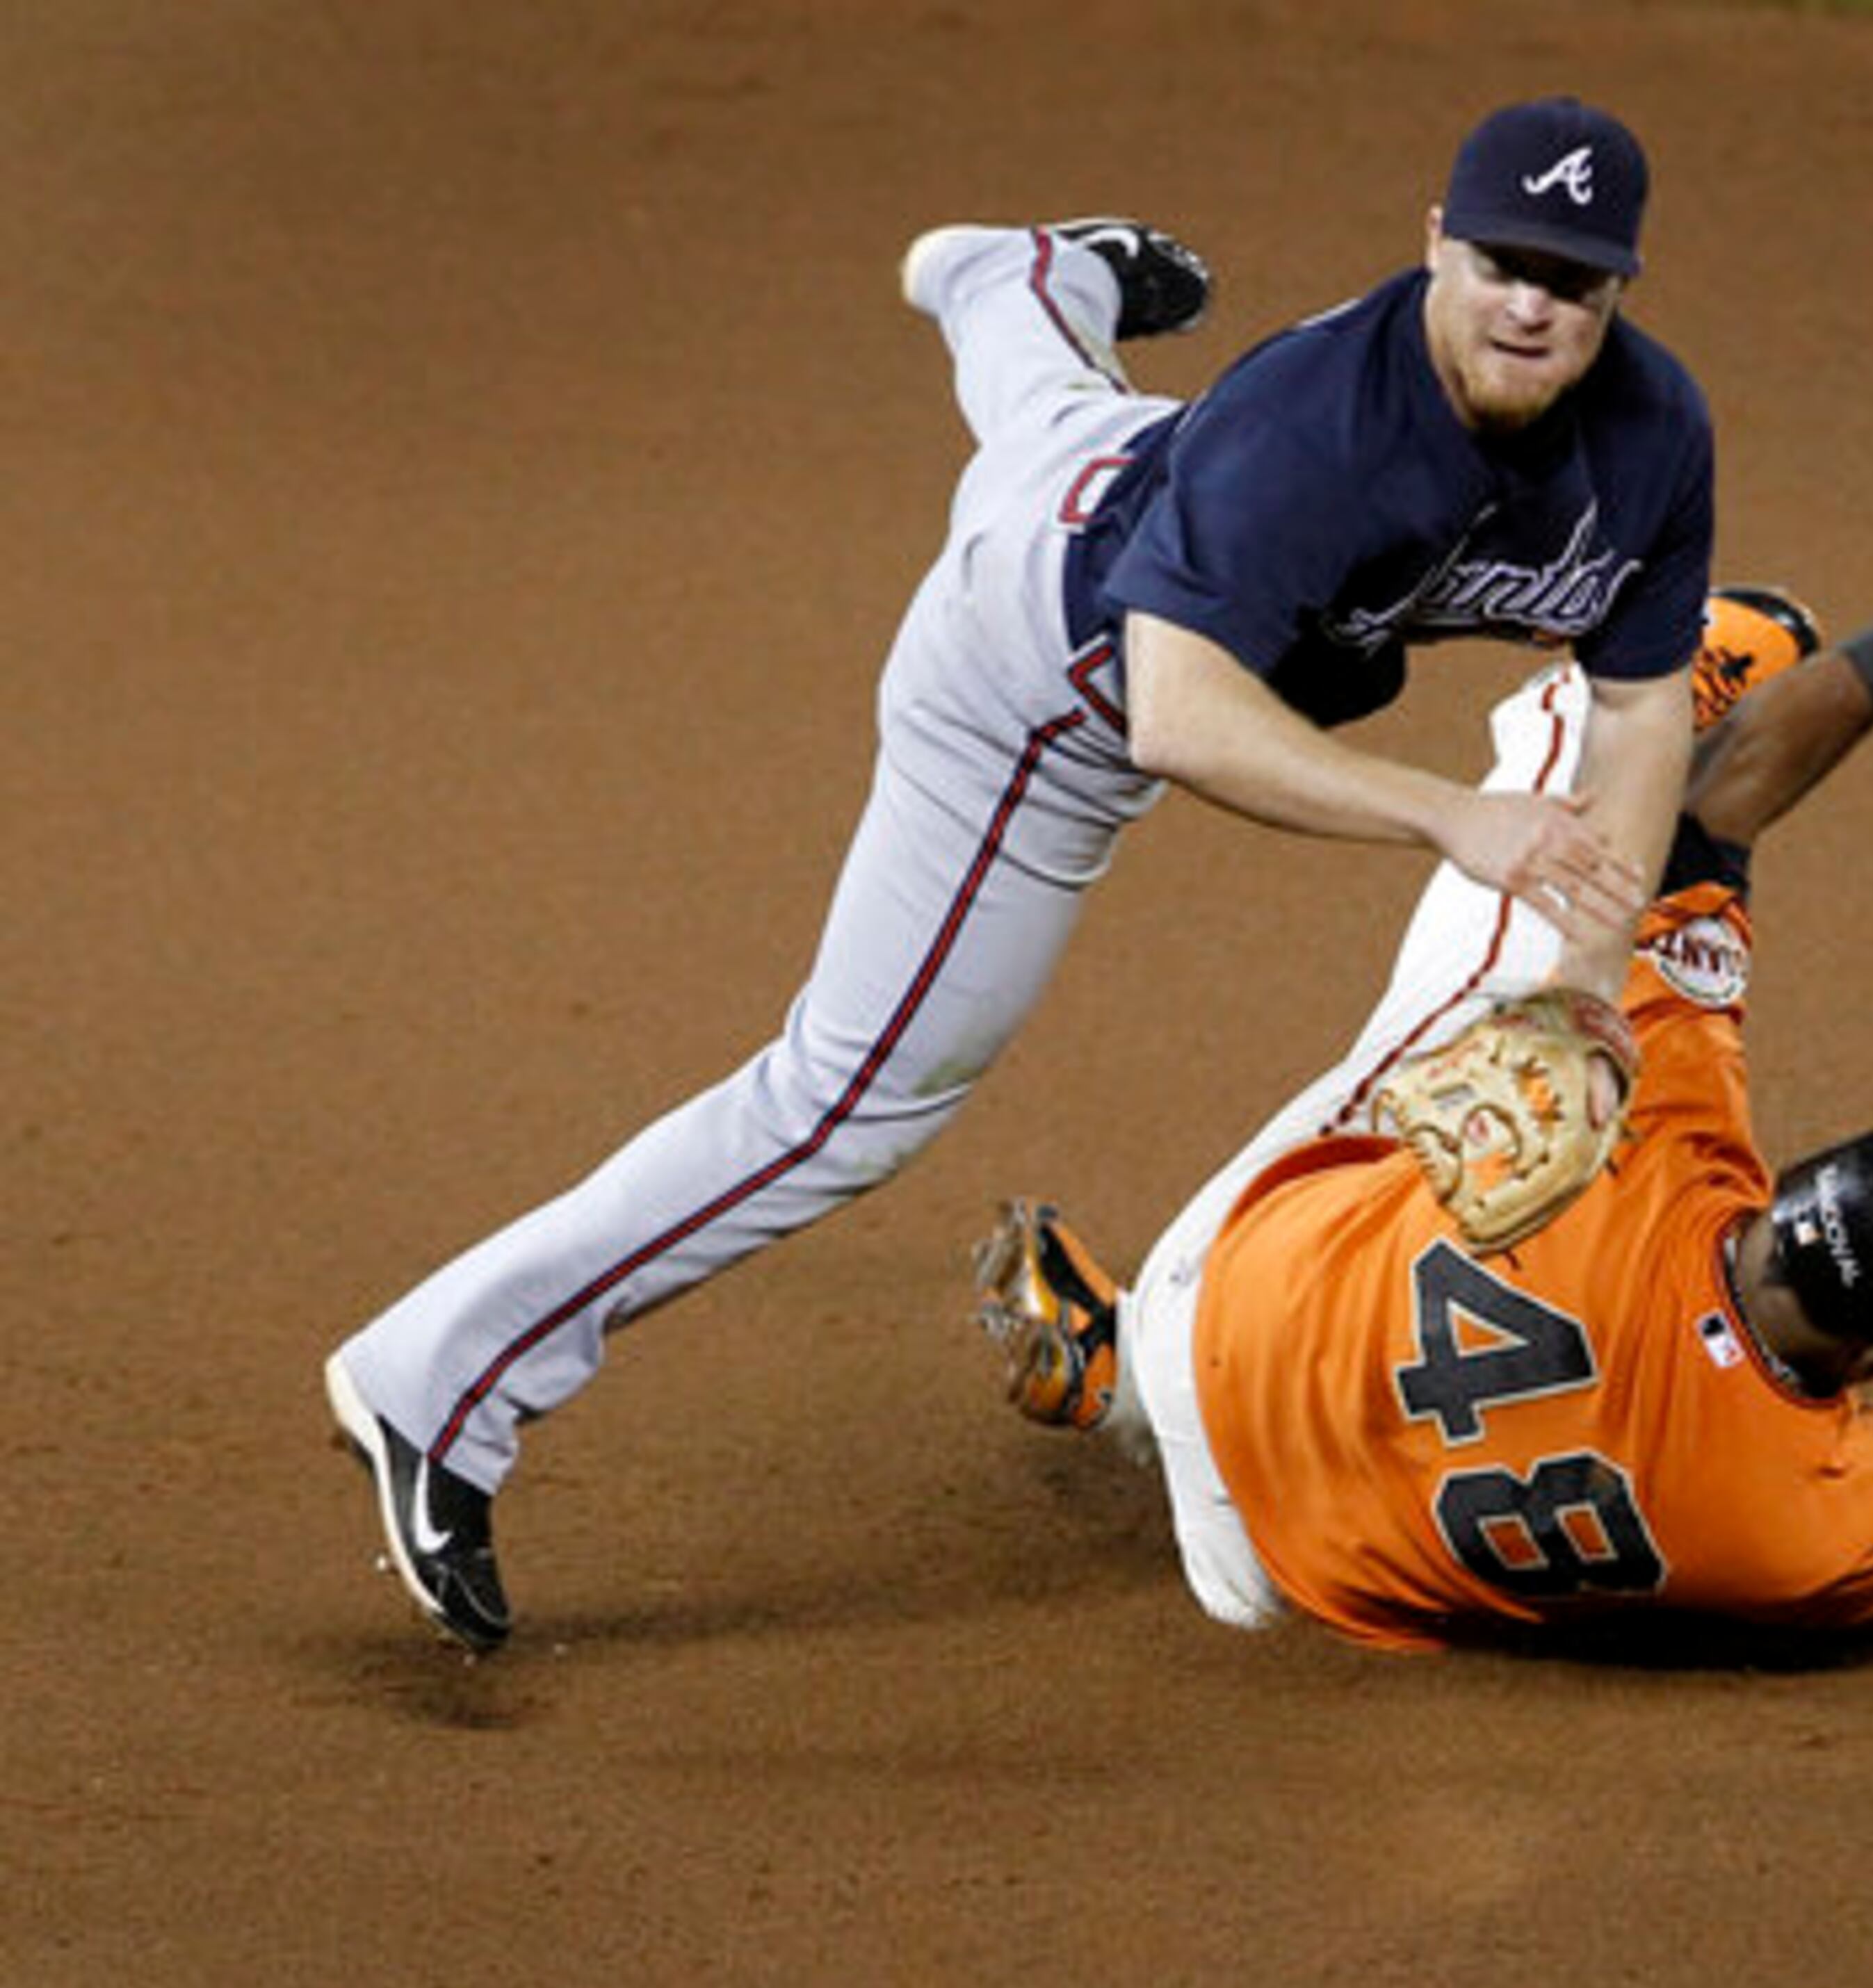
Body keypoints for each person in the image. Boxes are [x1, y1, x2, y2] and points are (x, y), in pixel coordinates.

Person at [325, 96, 1716, 1652]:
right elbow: (1182, 719)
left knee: (1066, 427)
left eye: (1575, 280)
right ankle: (440, 1383)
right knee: (842, 1101)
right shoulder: (1319, 426)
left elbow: (1646, 698)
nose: (1533, 304)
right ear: (1437, 243)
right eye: (1505, 261)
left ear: (1621, 292)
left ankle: (1022, 284)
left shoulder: (1653, 437)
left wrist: (1593, 983)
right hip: (1031, 678)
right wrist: (1451, 818)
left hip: (1118, 467)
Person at [976, 510, 1873, 1649]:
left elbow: (1706, 816)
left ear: (1794, 1188)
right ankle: (1119, 1381)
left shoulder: (1657, 1137)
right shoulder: (1820, 1534)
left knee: (1543, 971)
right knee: (1524, 1074)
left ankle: (1600, 703)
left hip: (1225, 1312)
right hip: (1268, 1571)